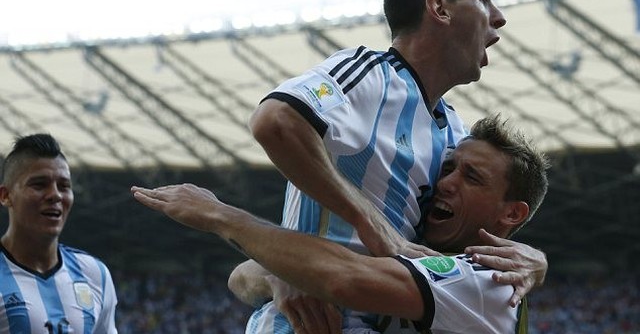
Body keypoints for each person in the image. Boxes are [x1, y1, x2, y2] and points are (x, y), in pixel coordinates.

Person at [231, 0, 546, 332]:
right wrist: (365, 219)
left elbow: (478, 231)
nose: (497, 17)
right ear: (439, 9)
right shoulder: (369, 74)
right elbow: (275, 121)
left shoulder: (455, 134)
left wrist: (535, 261)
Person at [131, 114, 551, 334]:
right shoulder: (415, 255)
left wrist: (222, 216)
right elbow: (241, 277)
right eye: (449, 167)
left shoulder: (489, 284)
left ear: (512, 213)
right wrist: (282, 279)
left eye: (471, 177)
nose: (446, 182)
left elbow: (341, 277)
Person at [0, 134, 118, 333]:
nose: (55, 195)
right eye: (39, 184)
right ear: (5, 196)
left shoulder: (95, 274)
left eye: (64, 186)